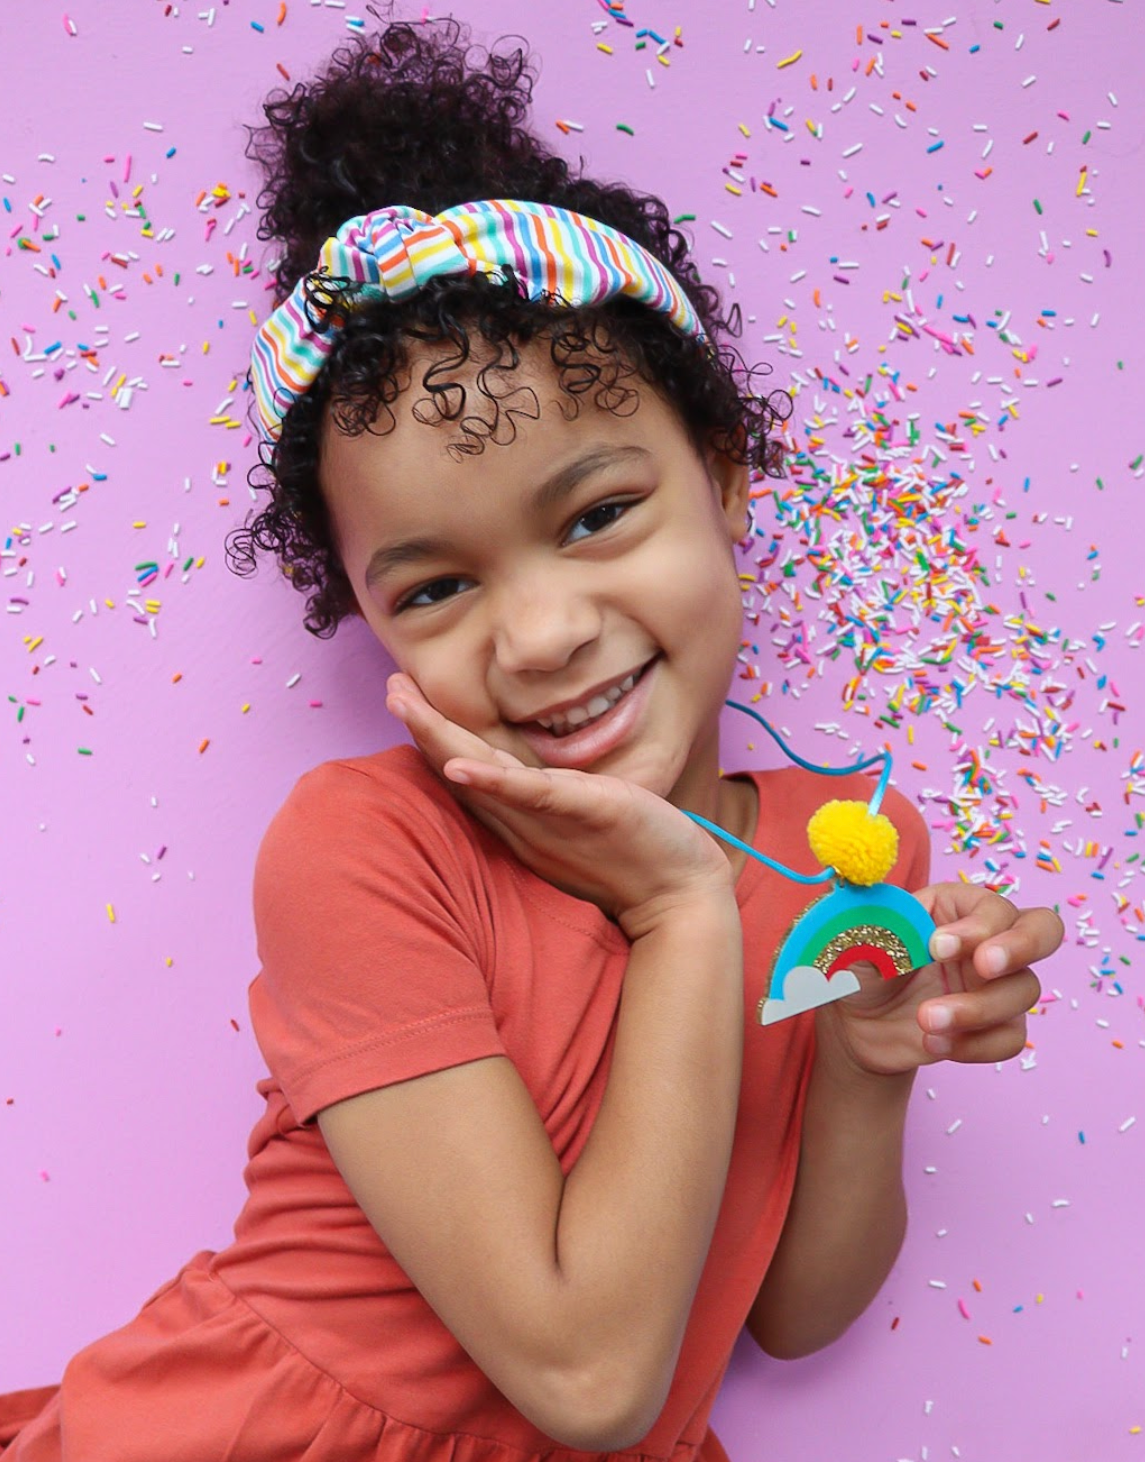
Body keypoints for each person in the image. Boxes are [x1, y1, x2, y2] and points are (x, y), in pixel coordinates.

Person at [4, 18, 1063, 1462]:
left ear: (724, 475)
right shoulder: (368, 844)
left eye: (596, 514)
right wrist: (685, 909)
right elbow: (588, 1376)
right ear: (371, 617)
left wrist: (874, 1059)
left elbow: (791, 1312)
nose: (544, 633)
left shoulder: (842, 855)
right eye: (438, 586)